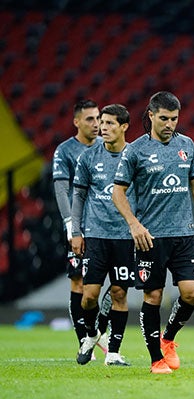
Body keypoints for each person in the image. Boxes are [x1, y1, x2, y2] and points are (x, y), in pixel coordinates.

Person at [112, 91, 194, 374]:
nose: (170, 124)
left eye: (174, 119)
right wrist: (134, 223)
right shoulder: (135, 151)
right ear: (151, 116)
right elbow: (117, 192)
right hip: (151, 237)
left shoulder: (187, 145)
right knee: (153, 297)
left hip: (184, 234)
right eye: (164, 118)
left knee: (192, 292)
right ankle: (156, 358)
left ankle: (168, 338)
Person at [71, 104, 134, 366]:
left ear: (124, 127)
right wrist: (76, 231)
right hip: (95, 235)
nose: (102, 128)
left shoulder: (135, 156)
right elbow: (79, 195)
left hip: (124, 236)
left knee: (119, 293)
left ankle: (114, 352)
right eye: (101, 122)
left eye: (109, 123)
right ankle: (92, 334)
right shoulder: (88, 157)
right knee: (89, 297)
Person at [52, 99, 110, 359]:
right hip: (79, 229)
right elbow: (62, 190)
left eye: (98, 118)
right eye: (90, 119)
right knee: (78, 282)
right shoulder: (65, 151)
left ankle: (101, 331)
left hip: (106, 228)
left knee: (113, 284)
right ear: (76, 122)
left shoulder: (107, 147)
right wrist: (70, 225)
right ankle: (85, 341)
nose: (96, 124)